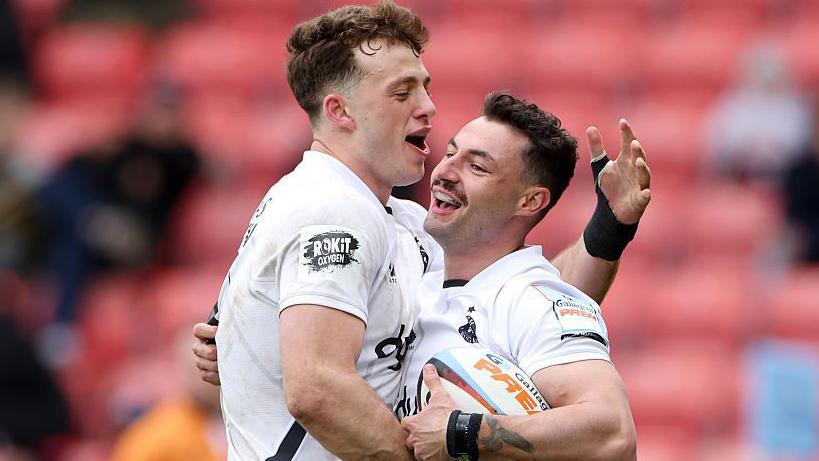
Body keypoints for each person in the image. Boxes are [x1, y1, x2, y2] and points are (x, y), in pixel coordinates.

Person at [198, 2, 649, 460]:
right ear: (340, 111)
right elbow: (317, 389)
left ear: (530, 201)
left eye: (476, 165)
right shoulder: (336, 210)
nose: (429, 108)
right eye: (402, 93)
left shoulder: (401, 227)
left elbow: (526, 299)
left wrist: (608, 229)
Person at [397, 92, 640, 461]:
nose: (444, 172)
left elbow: (612, 430)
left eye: (477, 167)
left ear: (529, 202)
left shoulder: (533, 299)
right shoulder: (417, 270)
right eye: (450, 153)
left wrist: (460, 433)